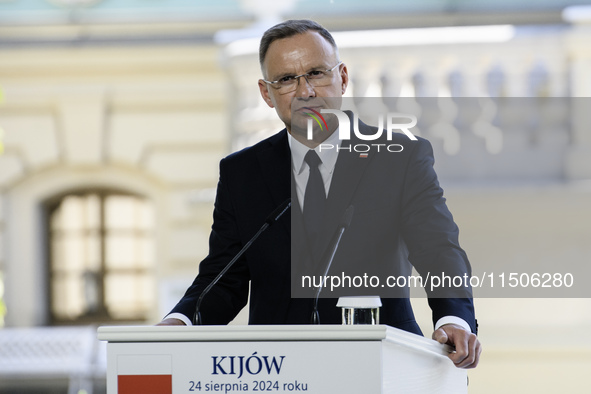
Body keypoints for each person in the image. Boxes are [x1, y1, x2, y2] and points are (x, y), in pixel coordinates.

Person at [159, 19, 481, 369]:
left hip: (381, 365)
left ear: (342, 78)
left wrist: (453, 319)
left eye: (316, 73)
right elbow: (223, 278)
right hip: (275, 371)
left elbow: (438, 250)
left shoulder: (399, 157)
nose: (305, 92)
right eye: (285, 80)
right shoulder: (241, 173)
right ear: (267, 93)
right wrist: (180, 322)